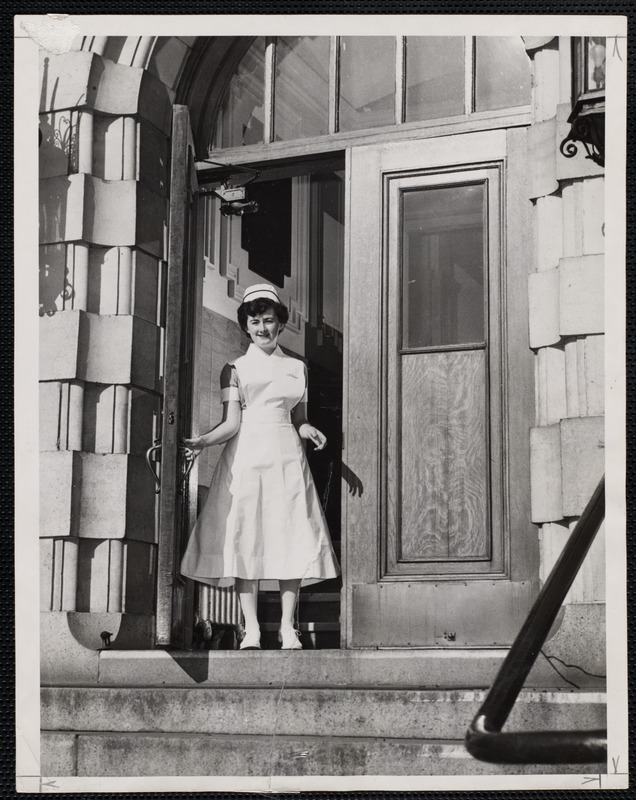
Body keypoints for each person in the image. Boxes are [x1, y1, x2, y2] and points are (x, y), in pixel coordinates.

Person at [180, 284, 340, 650]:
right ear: (246, 326)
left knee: (290, 535)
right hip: (247, 457)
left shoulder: (298, 368)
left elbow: (299, 416)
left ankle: (287, 628)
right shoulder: (234, 368)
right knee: (245, 536)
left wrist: (307, 427)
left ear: (280, 323)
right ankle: (251, 627)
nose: (262, 328)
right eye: (255, 321)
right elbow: (231, 423)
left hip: (286, 457)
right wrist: (203, 442)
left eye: (269, 320)